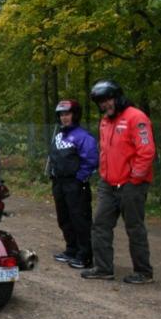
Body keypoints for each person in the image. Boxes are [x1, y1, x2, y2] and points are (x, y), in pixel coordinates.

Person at [81, 80, 156, 284]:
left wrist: (135, 178)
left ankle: (143, 271)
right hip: (109, 183)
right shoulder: (105, 121)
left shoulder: (136, 117)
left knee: (134, 227)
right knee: (100, 225)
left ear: (117, 97)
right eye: (100, 102)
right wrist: (104, 175)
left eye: (107, 99)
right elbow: (105, 152)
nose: (105, 105)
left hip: (132, 184)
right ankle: (103, 268)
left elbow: (146, 151)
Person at [48, 100, 99, 270]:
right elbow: (54, 158)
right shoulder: (58, 136)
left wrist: (80, 179)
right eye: (61, 115)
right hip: (59, 183)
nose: (64, 118)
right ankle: (71, 249)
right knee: (64, 218)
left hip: (76, 184)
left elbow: (91, 160)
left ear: (75, 115)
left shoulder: (83, 137)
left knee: (80, 219)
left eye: (67, 114)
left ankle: (85, 255)